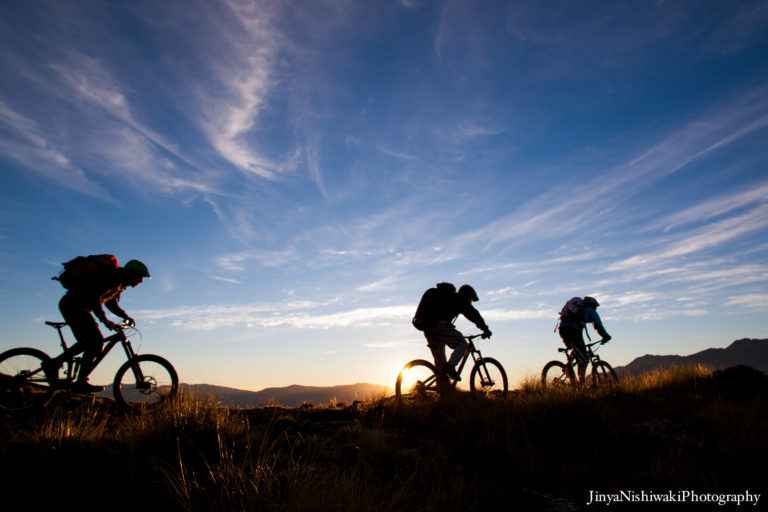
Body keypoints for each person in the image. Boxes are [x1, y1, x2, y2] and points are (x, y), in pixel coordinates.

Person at [44, 259, 151, 392]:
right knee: (94, 342)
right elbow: (95, 298)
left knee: (92, 343)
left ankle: (69, 374)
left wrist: (125, 316)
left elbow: (110, 303)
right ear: (132, 273)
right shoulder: (112, 278)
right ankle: (62, 370)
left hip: (78, 307)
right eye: (140, 277)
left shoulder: (120, 284)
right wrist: (104, 320)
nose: (141, 281)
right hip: (72, 305)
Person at [413, 283, 492, 381]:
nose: (470, 302)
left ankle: (443, 391)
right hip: (438, 325)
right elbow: (473, 314)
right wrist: (485, 329)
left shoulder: (447, 298)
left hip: (427, 328)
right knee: (462, 344)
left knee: (440, 367)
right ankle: (450, 367)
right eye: (471, 299)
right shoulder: (460, 299)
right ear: (467, 295)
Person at [557, 296, 611, 384]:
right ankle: (581, 385)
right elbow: (598, 325)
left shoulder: (578, 314)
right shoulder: (590, 311)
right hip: (573, 332)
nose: (596, 309)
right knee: (584, 359)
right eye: (595, 307)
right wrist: (605, 336)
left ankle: (568, 366)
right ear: (592, 305)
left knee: (578, 350)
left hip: (563, 330)